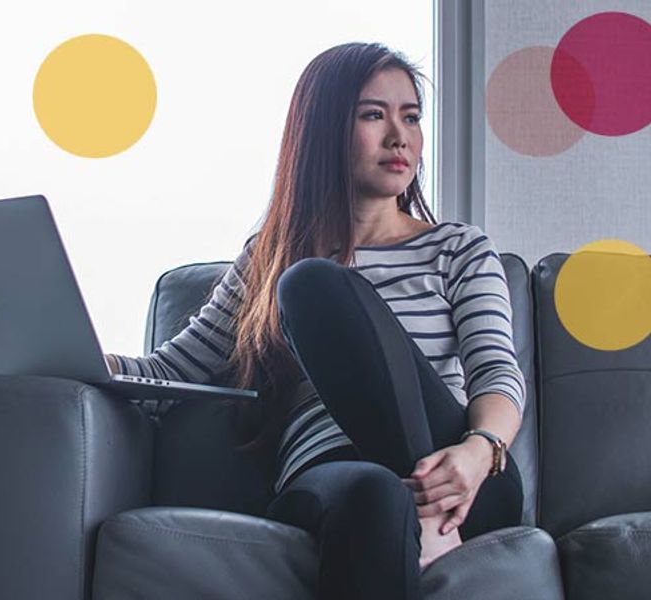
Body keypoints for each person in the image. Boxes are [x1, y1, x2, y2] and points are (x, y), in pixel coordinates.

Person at [104, 42, 524, 600]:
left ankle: (425, 513)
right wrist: (64, 354)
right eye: (374, 115)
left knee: (311, 283)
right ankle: (415, 520)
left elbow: (497, 373)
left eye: (412, 116)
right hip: (331, 475)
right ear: (323, 130)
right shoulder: (269, 257)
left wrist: (479, 451)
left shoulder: (459, 249)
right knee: (376, 490)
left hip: (466, 479)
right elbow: (165, 376)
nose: (400, 136)